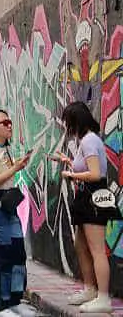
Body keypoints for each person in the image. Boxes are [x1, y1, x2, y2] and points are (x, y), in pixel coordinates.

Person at [0, 110, 36, 317]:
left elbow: (4, 176)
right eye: (5, 123)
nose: (10, 126)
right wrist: (16, 168)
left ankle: (14, 300)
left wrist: (17, 164)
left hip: (8, 207)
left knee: (18, 254)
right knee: (1, 258)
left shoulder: (4, 150)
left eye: (10, 122)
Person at [61, 102, 118, 313]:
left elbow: (95, 174)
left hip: (93, 196)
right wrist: (69, 162)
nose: (67, 126)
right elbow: (88, 168)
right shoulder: (87, 140)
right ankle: (90, 289)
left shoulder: (89, 141)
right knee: (81, 245)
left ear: (75, 121)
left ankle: (102, 297)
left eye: (68, 121)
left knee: (96, 250)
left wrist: (71, 175)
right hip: (87, 196)